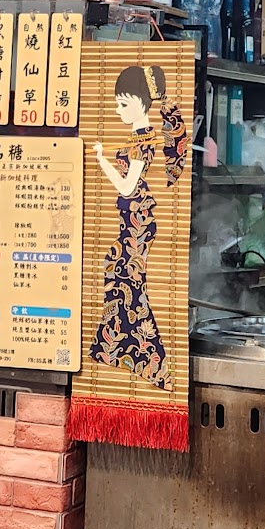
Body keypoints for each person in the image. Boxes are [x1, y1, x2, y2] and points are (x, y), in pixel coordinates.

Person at [89, 62, 187, 389]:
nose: (118, 111)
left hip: (138, 221)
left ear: (141, 103)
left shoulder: (143, 141)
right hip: (134, 219)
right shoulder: (139, 136)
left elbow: (126, 186)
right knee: (122, 278)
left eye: (123, 104)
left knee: (128, 282)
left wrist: (102, 160)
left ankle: (149, 361)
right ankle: (115, 349)